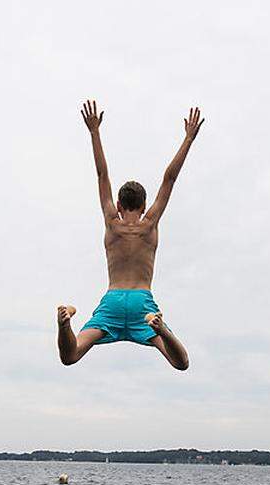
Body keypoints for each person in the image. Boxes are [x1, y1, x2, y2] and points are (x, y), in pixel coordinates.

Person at [57, 99, 203, 370]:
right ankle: (163, 329)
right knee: (180, 362)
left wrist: (94, 132)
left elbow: (102, 175)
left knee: (71, 354)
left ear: (120, 205)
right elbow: (169, 179)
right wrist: (188, 139)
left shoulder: (113, 222)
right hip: (142, 307)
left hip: (113, 301)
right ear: (145, 205)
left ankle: (64, 321)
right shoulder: (150, 224)